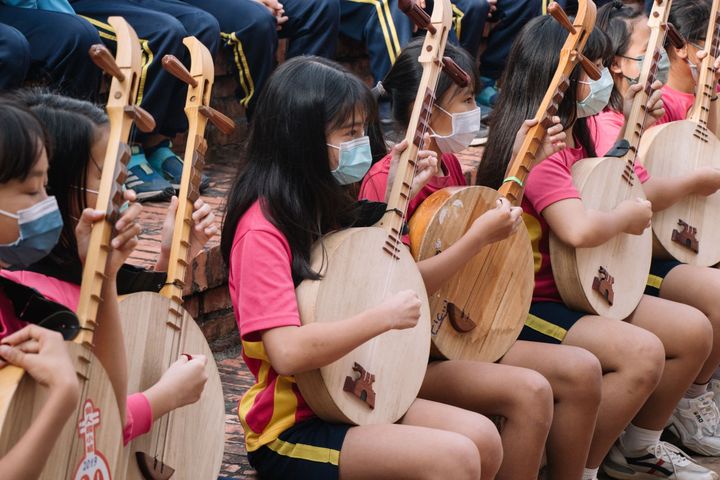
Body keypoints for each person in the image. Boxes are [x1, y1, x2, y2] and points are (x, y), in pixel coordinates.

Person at [221, 56, 505, 480]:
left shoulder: (325, 205)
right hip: (293, 425)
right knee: (454, 457)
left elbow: (382, 278)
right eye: (348, 133)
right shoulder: (262, 231)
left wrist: (396, 201)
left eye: (362, 131)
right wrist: (382, 318)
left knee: (482, 437)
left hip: (353, 389)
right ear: (301, 138)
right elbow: (288, 351)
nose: (362, 145)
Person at [479, 14, 718, 479]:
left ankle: (637, 448)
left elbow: (625, 185)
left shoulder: (585, 133)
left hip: (585, 282)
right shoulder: (538, 150)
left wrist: (630, 123)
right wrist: (623, 217)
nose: (606, 78)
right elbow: (578, 231)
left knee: (691, 330)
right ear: (561, 78)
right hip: (540, 299)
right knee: (642, 354)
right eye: (596, 71)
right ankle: (582, 467)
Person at [361, 38, 604, 480]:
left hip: (456, 329)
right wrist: (476, 239)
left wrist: (518, 164)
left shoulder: (448, 165)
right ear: (426, 108)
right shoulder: (388, 181)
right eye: (467, 99)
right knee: (530, 391)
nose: (476, 109)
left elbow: (482, 234)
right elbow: (395, 288)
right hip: (413, 351)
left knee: (581, 370)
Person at [596, 0, 720, 457]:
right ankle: (667, 422)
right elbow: (638, 197)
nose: (658, 62)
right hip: (645, 255)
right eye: (649, 51)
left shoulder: (636, 115)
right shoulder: (616, 121)